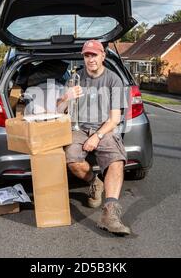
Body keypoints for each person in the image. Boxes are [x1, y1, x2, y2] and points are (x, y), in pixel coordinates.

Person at [57, 39, 130, 236]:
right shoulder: (75, 78)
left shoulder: (114, 80)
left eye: (94, 55)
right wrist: (66, 97)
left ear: (103, 56)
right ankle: (94, 182)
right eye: (87, 55)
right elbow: (57, 110)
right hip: (78, 129)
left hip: (104, 128)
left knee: (116, 160)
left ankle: (110, 214)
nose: (90, 59)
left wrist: (97, 137)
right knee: (70, 158)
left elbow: (115, 119)